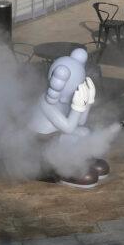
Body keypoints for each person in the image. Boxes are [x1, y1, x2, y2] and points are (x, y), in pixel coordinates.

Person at [29, 48, 109, 188]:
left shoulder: (61, 98)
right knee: (72, 137)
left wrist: (88, 102)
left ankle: (79, 161)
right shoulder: (46, 102)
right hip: (41, 141)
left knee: (84, 132)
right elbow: (69, 127)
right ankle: (67, 170)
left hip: (55, 135)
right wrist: (78, 106)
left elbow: (80, 122)